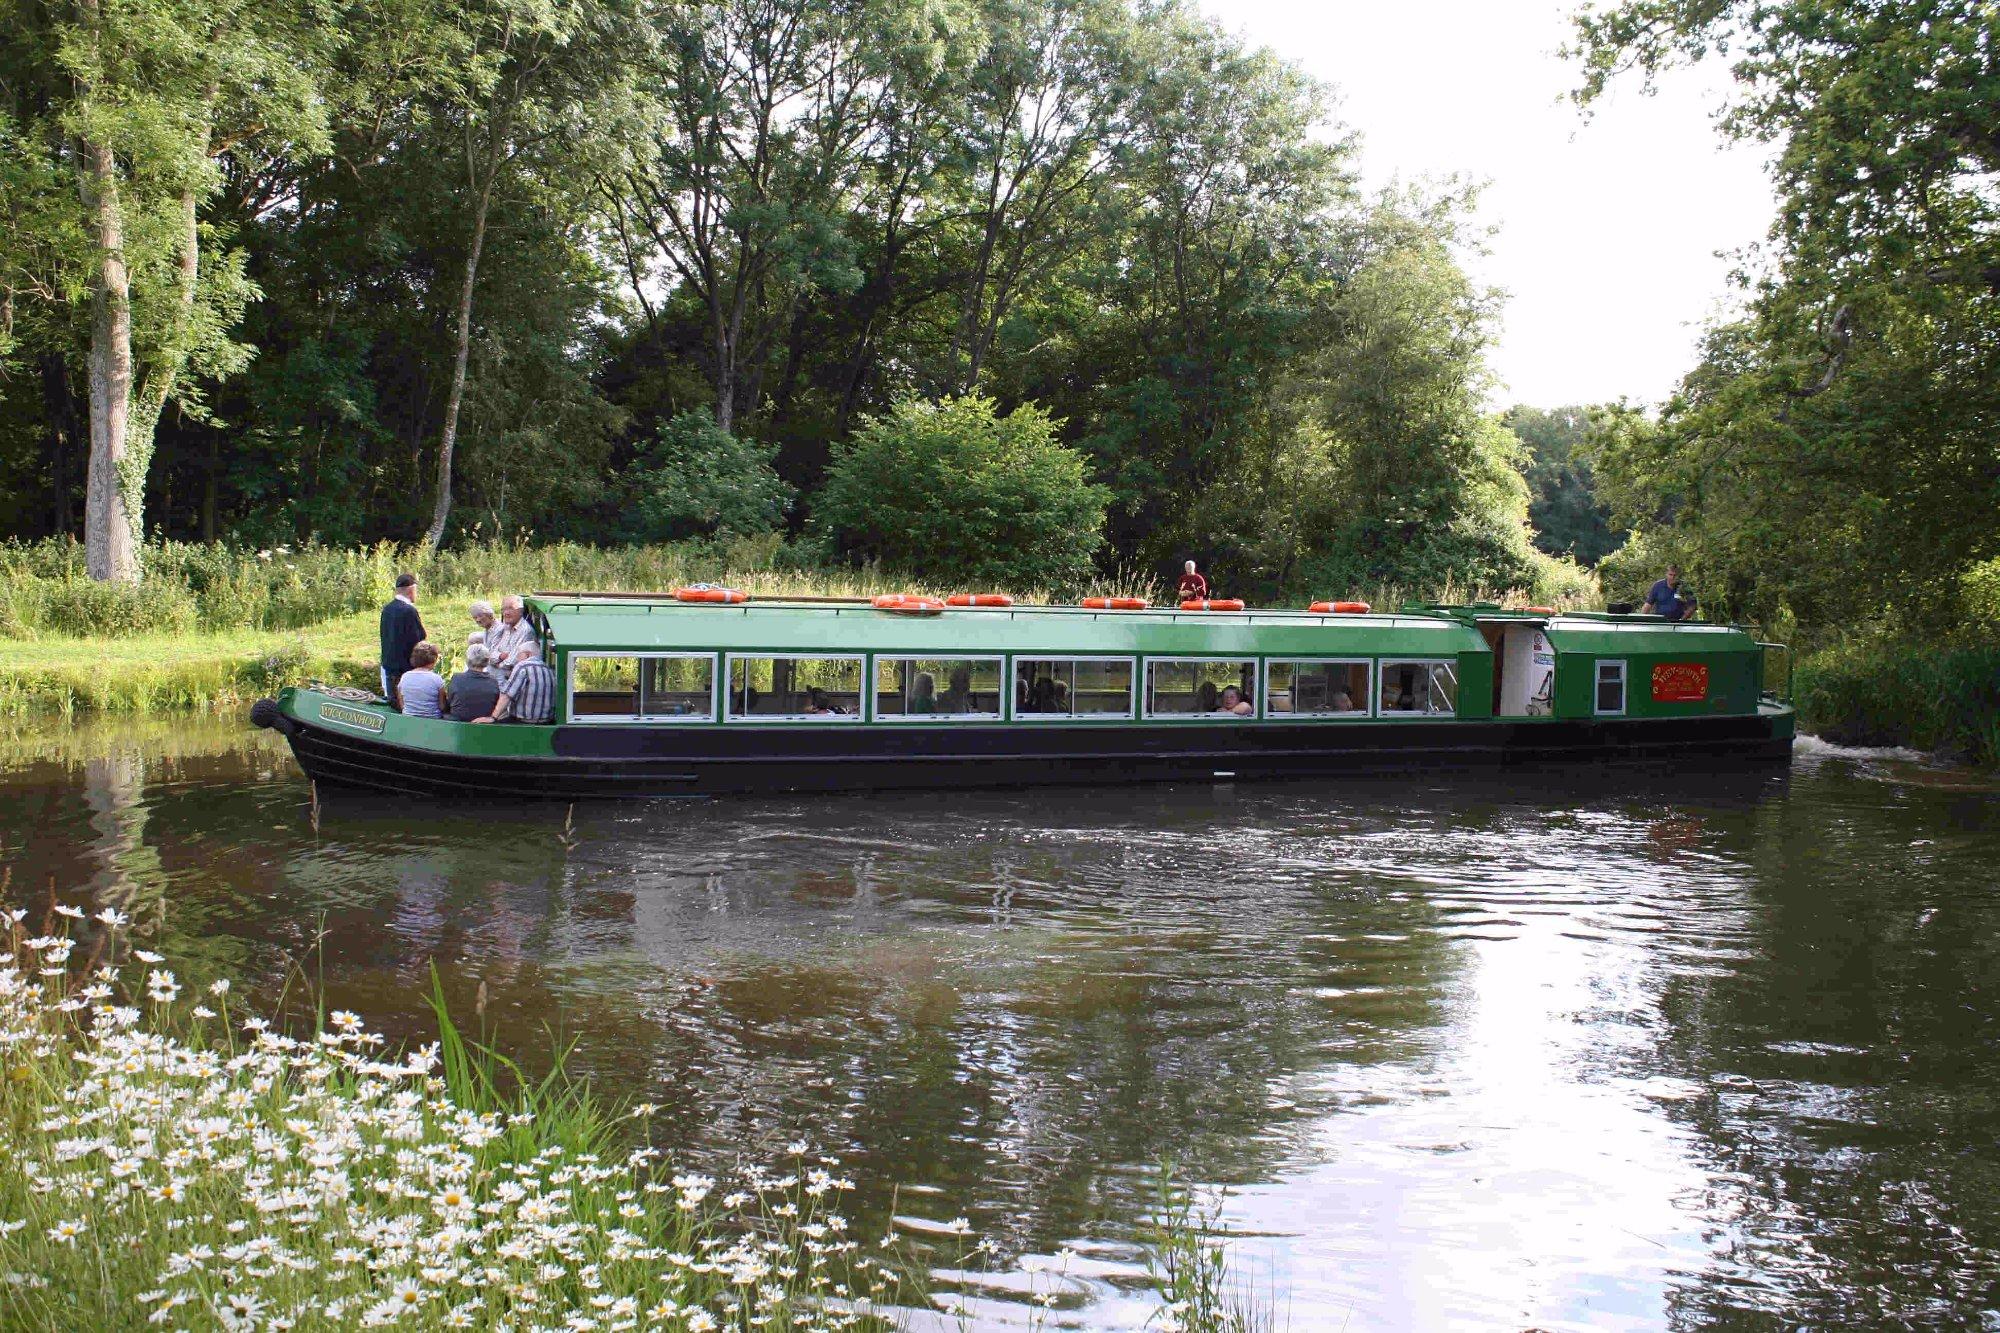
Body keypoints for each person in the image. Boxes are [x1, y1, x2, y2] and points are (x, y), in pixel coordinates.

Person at [379, 573, 426, 706]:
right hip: (406, 668)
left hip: (389, 664)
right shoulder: (409, 611)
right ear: (411, 590)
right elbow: (419, 638)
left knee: (393, 703)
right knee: (407, 705)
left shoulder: (387, 609)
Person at [484, 594, 540, 686]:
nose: (506, 613)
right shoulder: (505, 627)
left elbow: (511, 662)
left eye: (510, 608)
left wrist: (497, 663)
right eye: (503, 609)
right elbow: (490, 652)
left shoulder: (525, 631)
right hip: (499, 677)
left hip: (512, 681)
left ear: (520, 611)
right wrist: (501, 657)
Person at [483, 654, 555, 725]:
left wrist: (493, 717)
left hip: (522, 722)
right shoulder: (548, 668)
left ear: (527, 654)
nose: (516, 659)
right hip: (546, 722)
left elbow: (507, 695)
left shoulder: (523, 666)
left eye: (519, 654)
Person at [446, 643, 502, 722]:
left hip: (458, 724)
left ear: (468, 660)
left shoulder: (457, 678)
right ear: (487, 661)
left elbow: (449, 701)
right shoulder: (494, 682)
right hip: (484, 725)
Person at [397, 642, 446, 719]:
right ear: (434, 660)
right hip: (433, 720)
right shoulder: (437, 679)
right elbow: (442, 706)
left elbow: (401, 703)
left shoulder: (405, 677)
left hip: (408, 718)